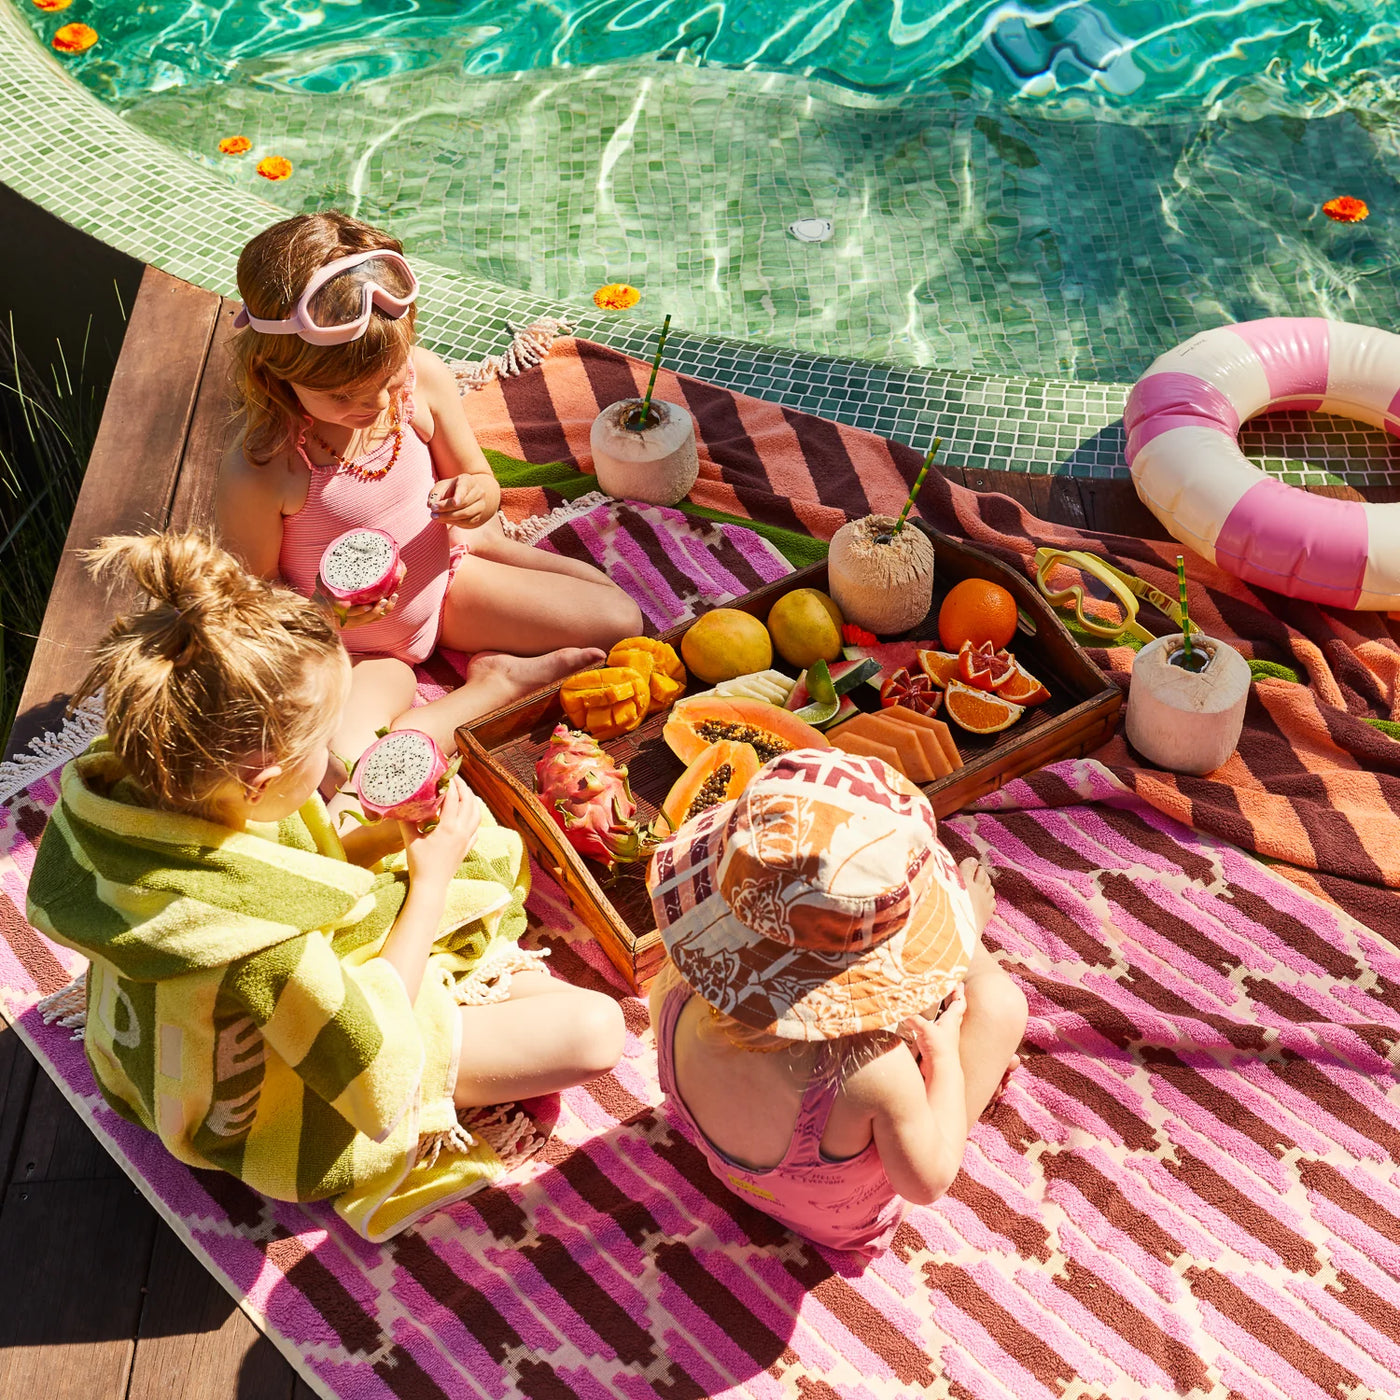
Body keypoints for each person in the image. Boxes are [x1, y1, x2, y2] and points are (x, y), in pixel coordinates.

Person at [27, 532, 625, 1241]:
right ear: (261, 781)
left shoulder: (131, 778)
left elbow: (275, 831)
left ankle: (462, 700)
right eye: (315, 753)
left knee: (384, 681)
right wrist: (429, 880)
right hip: (281, 1105)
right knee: (596, 1031)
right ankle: (422, 1129)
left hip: (147, 1049)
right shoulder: (256, 946)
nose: (333, 765)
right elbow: (372, 1046)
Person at [216, 210, 643, 770]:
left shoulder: (422, 381)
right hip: (359, 649)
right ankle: (494, 686)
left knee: (621, 622)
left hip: (448, 588)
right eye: (342, 397)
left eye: (387, 381)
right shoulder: (262, 468)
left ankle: (496, 556)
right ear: (274, 373)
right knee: (348, 765)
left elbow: (479, 480)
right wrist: (325, 613)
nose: (374, 406)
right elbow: (250, 602)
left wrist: (477, 502)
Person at [646, 749, 1026, 1257]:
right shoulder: (875, 1074)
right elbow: (927, 1182)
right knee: (1000, 1004)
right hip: (844, 1225)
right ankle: (963, 956)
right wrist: (945, 1060)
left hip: (734, 1173)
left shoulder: (670, 988)